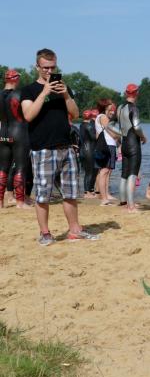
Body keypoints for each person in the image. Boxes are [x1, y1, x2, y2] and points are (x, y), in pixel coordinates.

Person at [19, 49, 98, 245]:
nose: (49, 71)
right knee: (43, 195)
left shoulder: (64, 88)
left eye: (52, 67)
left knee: (71, 193)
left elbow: (75, 114)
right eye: (45, 67)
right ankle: (45, 233)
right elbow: (28, 115)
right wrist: (44, 92)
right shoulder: (28, 90)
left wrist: (66, 95)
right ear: (37, 67)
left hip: (67, 147)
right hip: (42, 149)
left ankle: (75, 230)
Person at [0, 69, 30, 209]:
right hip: (19, 132)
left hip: (3, 133)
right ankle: (20, 202)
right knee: (20, 167)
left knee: (2, 168)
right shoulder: (20, 94)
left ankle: (0, 202)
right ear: (16, 79)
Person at [117, 84, 146, 212]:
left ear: (126, 93)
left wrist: (120, 135)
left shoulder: (120, 107)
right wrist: (143, 137)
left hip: (124, 144)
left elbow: (110, 125)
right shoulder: (133, 108)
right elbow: (137, 126)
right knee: (133, 174)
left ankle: (123, 203)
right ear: (136, 93)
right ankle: (131, 206)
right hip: (133, 144)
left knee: (124, 174)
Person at [93, 99, 119, 206]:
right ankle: (104, 199)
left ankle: (105, 196)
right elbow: (112, 131)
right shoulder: (103, 117)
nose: (111, 106)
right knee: (104, 172)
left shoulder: (101, 117)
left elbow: (98, 135)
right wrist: (123, 135)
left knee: (105, 171)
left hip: (106, 145)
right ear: (105, 106)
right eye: (109, 104)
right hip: (107, 146)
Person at [79, 109, 98, 198]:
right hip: (89, 150)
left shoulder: (81, 125)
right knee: (90, 172)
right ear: (90, 117)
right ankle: (87, 192)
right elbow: (94, 137)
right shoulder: (89, 126)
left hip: (83, 150)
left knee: (88, 171)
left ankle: (89, 191)